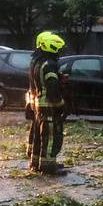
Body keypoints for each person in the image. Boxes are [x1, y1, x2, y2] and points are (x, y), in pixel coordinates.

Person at [27, 31, 68, 174]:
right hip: (48, 106)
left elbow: (34, 84)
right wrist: (61, 105)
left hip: (38, 104)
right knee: (51, 137)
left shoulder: (36, 62)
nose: (59, 52)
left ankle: (36, 164)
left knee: (39, 136)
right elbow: (52, 88)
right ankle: (49, 167)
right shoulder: (50, 64)